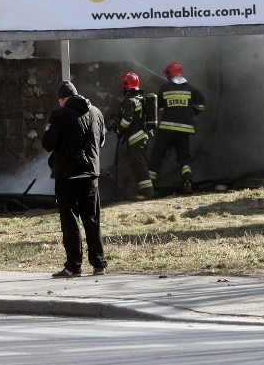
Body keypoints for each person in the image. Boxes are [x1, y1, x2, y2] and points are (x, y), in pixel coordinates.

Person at [41, 80, 108, 278]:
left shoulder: (60, 114)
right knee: (92, 219)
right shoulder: (96, 113)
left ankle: (73, 266)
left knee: (70, 220)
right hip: (91, 174)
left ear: (62, 99)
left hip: (67, 175)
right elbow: (101, 140)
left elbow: (48, 143)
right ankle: (99, 263)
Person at [148, 61, 205, 194]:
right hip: (183, 130)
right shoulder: (192, 89)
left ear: (169, 74)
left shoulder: (164, 88)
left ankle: (149, 185)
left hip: (166, 129)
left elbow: (160, 108)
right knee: (184, 158)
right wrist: (191, 112)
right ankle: (187, 179)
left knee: (158, 155)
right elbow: (201, 106)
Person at [111, 72, 154, 200]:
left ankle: (148, 192)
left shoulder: (130, 101)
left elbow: (126, 121)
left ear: (125, 85)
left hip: (135, 138)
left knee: (139, 165)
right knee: (138, 165)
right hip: (141, 136)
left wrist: (118, 129)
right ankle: (143, 190)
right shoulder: (140, 99)